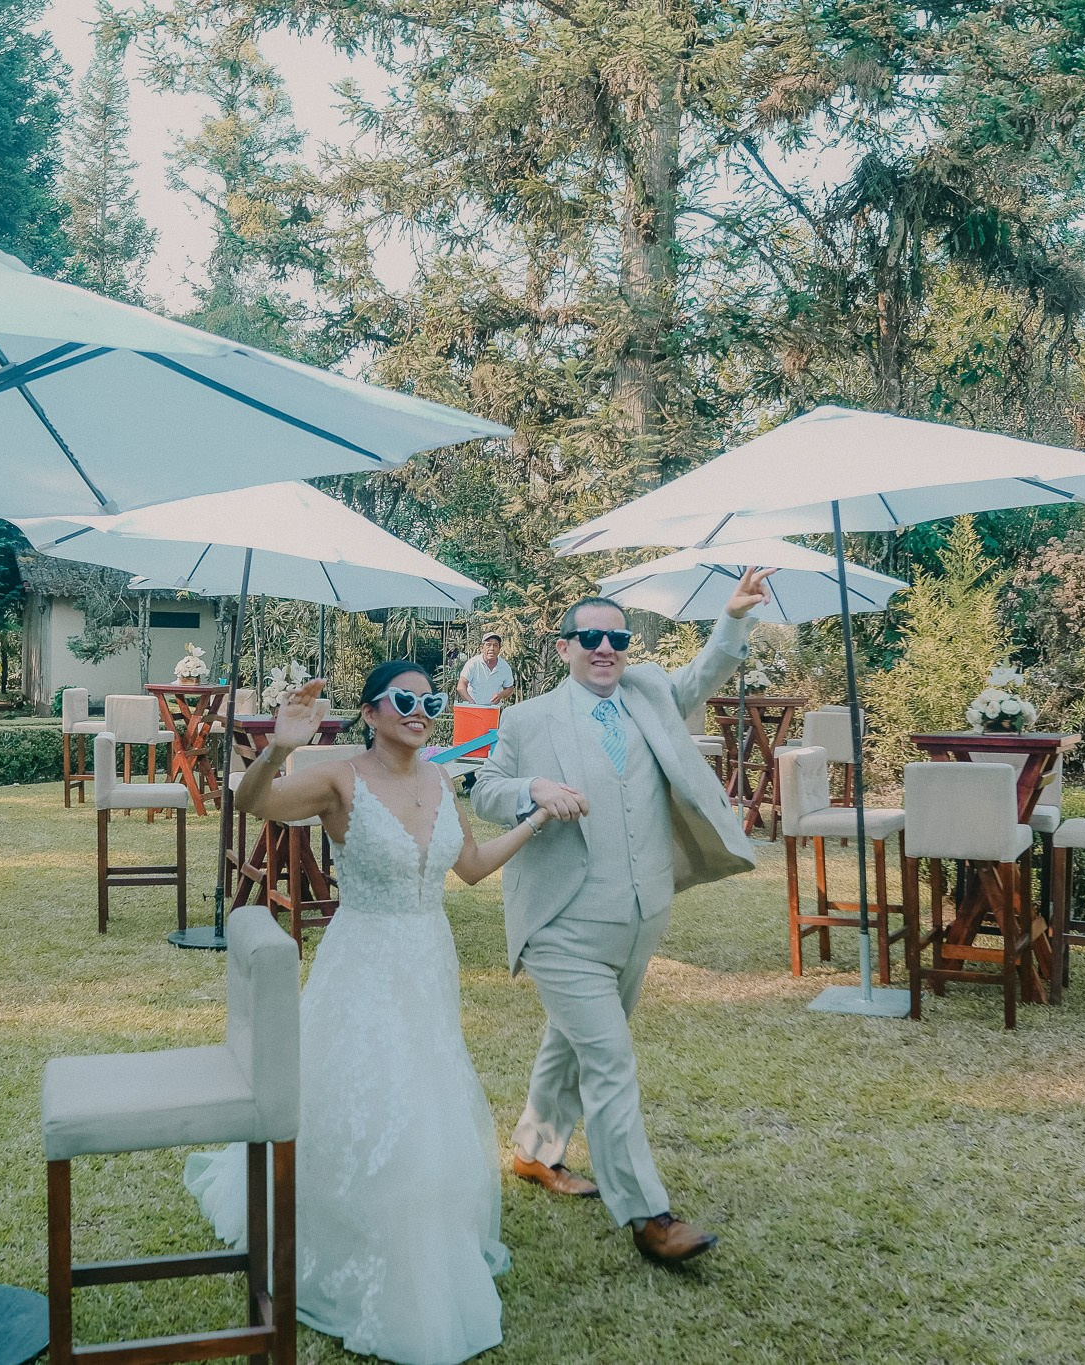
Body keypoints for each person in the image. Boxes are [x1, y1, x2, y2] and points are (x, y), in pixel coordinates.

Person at [184, 661, 570, 1365]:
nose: (419, 711)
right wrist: (279, 744)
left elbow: (475, 866)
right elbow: (252, 803)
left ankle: (424, 1230)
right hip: (362, 967)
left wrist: (538, 817)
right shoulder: (340, 779)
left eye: (428, 701)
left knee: (426, 1096)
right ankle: (365, 1237)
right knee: (369, 1100)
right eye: (404, 700)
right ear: (371, 710)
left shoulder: (441, 781)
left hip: (428, 963)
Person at [469, 569, 774, 1265]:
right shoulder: (526, 719)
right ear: (563, 647)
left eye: (617, 638)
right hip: (560, 922)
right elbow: (484, 791)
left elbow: (703, 673)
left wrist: (733, 617)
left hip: (641, 915)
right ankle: (649, 1215)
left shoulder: (648, 694)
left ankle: (534, 1151)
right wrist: (532, 787)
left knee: (572, 1043)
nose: (605, 648)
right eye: (591, 637)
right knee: (608, 1057)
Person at [456, 631, 515, 706]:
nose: (492, 648)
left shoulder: (504, 667)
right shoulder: (473, 663)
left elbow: (509, 688)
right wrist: (470, 701)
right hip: (473, 709)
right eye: (488, 645)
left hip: (493, 710)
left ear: (499, 648)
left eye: (495, 645)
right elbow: (461, 685)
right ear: (482, 648)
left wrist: (501, 695)